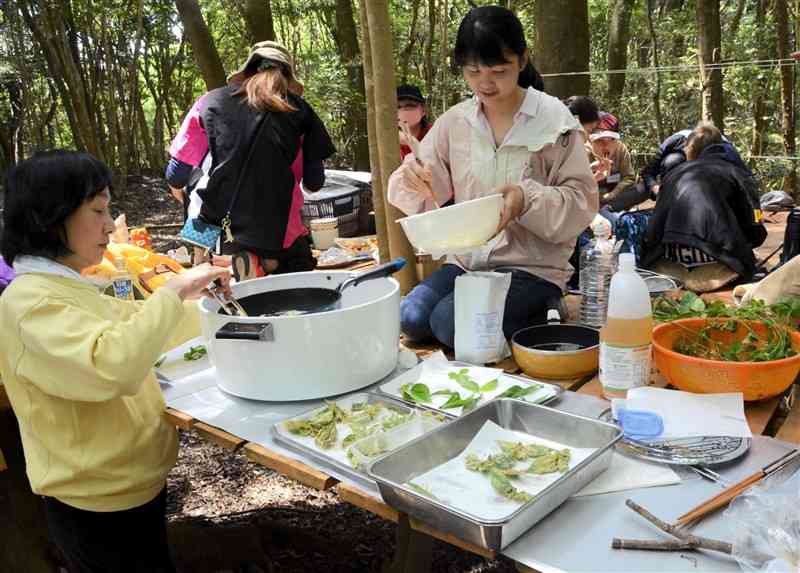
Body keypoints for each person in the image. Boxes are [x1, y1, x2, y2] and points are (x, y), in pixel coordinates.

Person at [0, 150, 232, 572]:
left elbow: (132, 325)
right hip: (94, 504)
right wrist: (173, 291)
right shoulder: (29, 303)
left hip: (130, 487)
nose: (110, 225)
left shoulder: (68, 287)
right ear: (52, 217)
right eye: (98, 211)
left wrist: (215, 312)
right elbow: (113, 365)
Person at [388, 6, 597, 348]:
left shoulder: (554, 120)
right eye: (473, 72)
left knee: (449, 323)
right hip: (468, 262)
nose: (485, 83)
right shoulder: (456, 122)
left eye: (498, 70)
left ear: (522, 60)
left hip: (531, 268)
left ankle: (546, 305)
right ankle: (506, 317)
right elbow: (427, 183)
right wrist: (412, 176)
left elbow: (581, 201)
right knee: (411, 317)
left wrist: (526, 199)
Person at [166, 40, 336, 281]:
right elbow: (314, 182)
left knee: (201, 194)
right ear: (287, 78)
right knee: (297, 279)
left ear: (246, 73)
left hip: (216, 227)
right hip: (279, 229)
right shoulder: (300, 110)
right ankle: (268, 262)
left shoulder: (210, 102)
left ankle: (208, 261)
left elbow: (176, 174)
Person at [641, 122, 767, 292]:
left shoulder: (672, 175)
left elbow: (654, 229)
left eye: (685, 149)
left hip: (668, 265)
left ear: (692, 148)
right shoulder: (737, 173)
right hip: (720, 267)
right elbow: (755, 227)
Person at [640, 125, 750, 199]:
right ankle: (670, 197)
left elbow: (747, 181)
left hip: (712, 187)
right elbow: (647, 172)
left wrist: (756, 215)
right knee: (672, 161)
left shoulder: (727, 152)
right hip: (673, 186)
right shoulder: (674, 142)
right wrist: (656, 189)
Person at [397, 84, 432, 161]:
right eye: (397, 107)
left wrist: (413, 143)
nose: (403, 110)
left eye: (409, 105)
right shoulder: (386, 138)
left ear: (423, 110)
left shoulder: (434, 134)